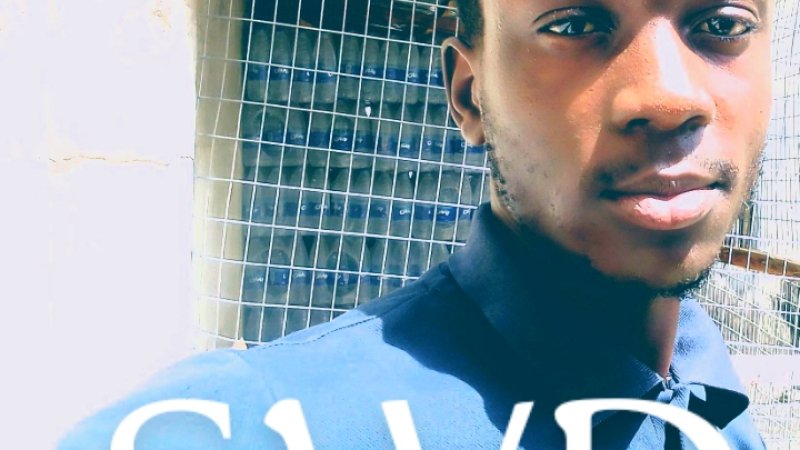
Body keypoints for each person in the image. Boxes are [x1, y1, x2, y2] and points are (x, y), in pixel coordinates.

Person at [58, 0, 771, 448]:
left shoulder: (718, 402)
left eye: (723, 25)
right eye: (573, 26)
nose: (670, 98)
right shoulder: (247, 422)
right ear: (469, 94)